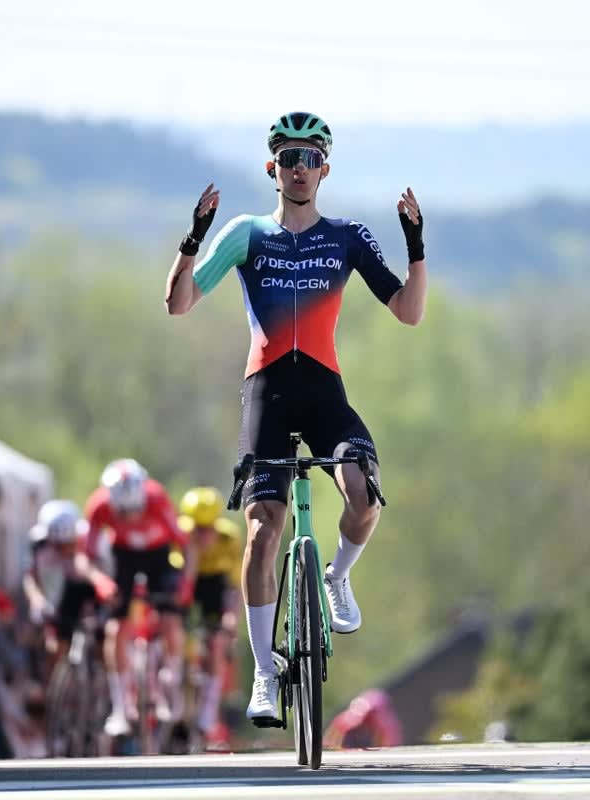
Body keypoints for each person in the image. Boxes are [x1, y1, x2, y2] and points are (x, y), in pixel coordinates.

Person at [163, 111, 427, 723]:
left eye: (311, 157)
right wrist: (193, 238)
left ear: (325, 168)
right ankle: (264, 671)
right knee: (262, 528)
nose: (299, 168)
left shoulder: (347, 236)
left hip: (324, 393)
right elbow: (178, 304)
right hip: (268, 393)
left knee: (362, 493)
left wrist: (415, 246)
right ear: (272, 167)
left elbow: (408, 313)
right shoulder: (247, 232)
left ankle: (335, 575)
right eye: (288, 157)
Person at [85, 458, 196, 736]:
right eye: (123, 513)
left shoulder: (157, 499)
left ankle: (170, 676)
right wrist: (101, 581)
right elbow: (85, 557)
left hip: (158, 556)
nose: (131, 518)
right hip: (123, 557)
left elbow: (187, 547)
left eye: (136, 510)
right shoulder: (98, 506)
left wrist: (186, 584)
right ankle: (121, 708)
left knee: (170, 619)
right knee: (116, 629)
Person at [22, 499, 116, 682]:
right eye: (58, 545)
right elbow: (31, 577)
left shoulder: (92, 539)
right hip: (65, 592)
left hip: (93, 588)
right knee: (55, 643)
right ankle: (55, 689)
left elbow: (99, 572)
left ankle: (105, 684)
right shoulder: (38, 545)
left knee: (104, 637)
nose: (64, 550)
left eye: (68, 544)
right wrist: (37, 600)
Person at [177, 486, 243, 743]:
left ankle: (208, 710)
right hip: (188, 581)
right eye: (197, 529)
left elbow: (235, 585)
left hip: (215, 584)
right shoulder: (180, 534)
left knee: (217, 642)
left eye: (207, 529)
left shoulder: (229, 538)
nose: (202, 535)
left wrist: (231, 618)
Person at [324, 688, 403, 749]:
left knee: (387, 733)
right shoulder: (359, 710)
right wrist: (329, 742)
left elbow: (387, 734)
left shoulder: (379, 716)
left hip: (375, 707)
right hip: (367, 705)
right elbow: (341, 723)